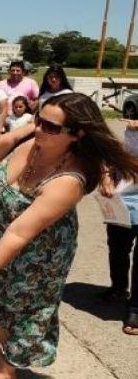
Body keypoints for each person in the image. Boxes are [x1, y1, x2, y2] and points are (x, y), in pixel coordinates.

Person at [0, 92, 138, 379]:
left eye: (50, 127)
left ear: (77, 135)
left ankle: (8, 367)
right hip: (4, 234)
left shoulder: (69, 180)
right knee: (1, 294)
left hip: (41, 252)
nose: (39, 128)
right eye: (39, 120)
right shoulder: (35, 134)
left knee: (27, 304)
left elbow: (20, 231)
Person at [98, 118, 138, 336]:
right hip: (121, 200)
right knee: (118, 248)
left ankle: (136, 308)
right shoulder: (123, 133)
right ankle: (119, 287)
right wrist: (105, 178)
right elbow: (107, 157)